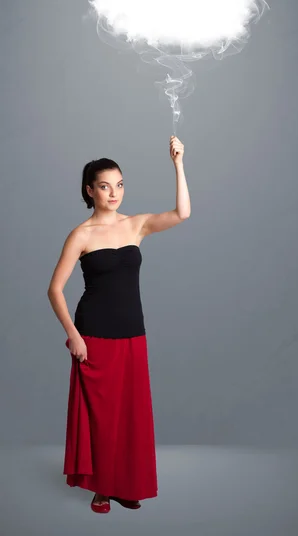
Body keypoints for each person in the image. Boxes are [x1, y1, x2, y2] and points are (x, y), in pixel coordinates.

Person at [47, 135, 190, 513]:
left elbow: (182, 214)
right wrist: (74, 337)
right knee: (102, 419)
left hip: (132, 334)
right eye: (106, 186)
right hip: (93, 335)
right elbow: (55, 290)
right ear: (89, 190)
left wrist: (178, 163)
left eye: (120, 185)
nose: (114, 193)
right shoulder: (81, 235)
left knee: (131, 418)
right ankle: (101, 487)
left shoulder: (137, 225)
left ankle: (126, 484)